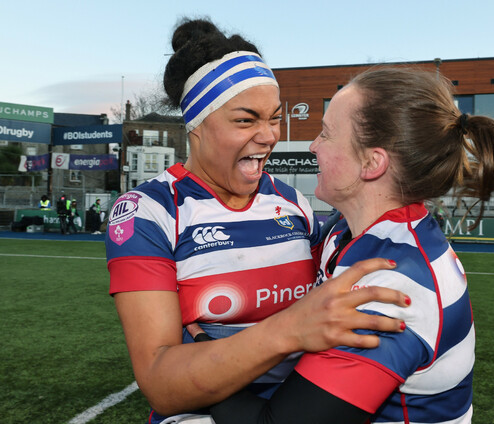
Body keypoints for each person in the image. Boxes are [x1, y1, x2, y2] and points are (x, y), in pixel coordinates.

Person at [105, 18, 409, 424]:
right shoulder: (150, 211)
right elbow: (160, 384)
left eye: (274, 118)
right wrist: (288, 330)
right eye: (246, 120)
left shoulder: (292, 202)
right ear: (196, 125)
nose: (268, 136)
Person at [209, 67, 494, 423]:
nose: (313, 146)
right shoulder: (352, 230)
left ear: (371, 162)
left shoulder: (389, 289)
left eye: (326, 133)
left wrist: (198, 354)